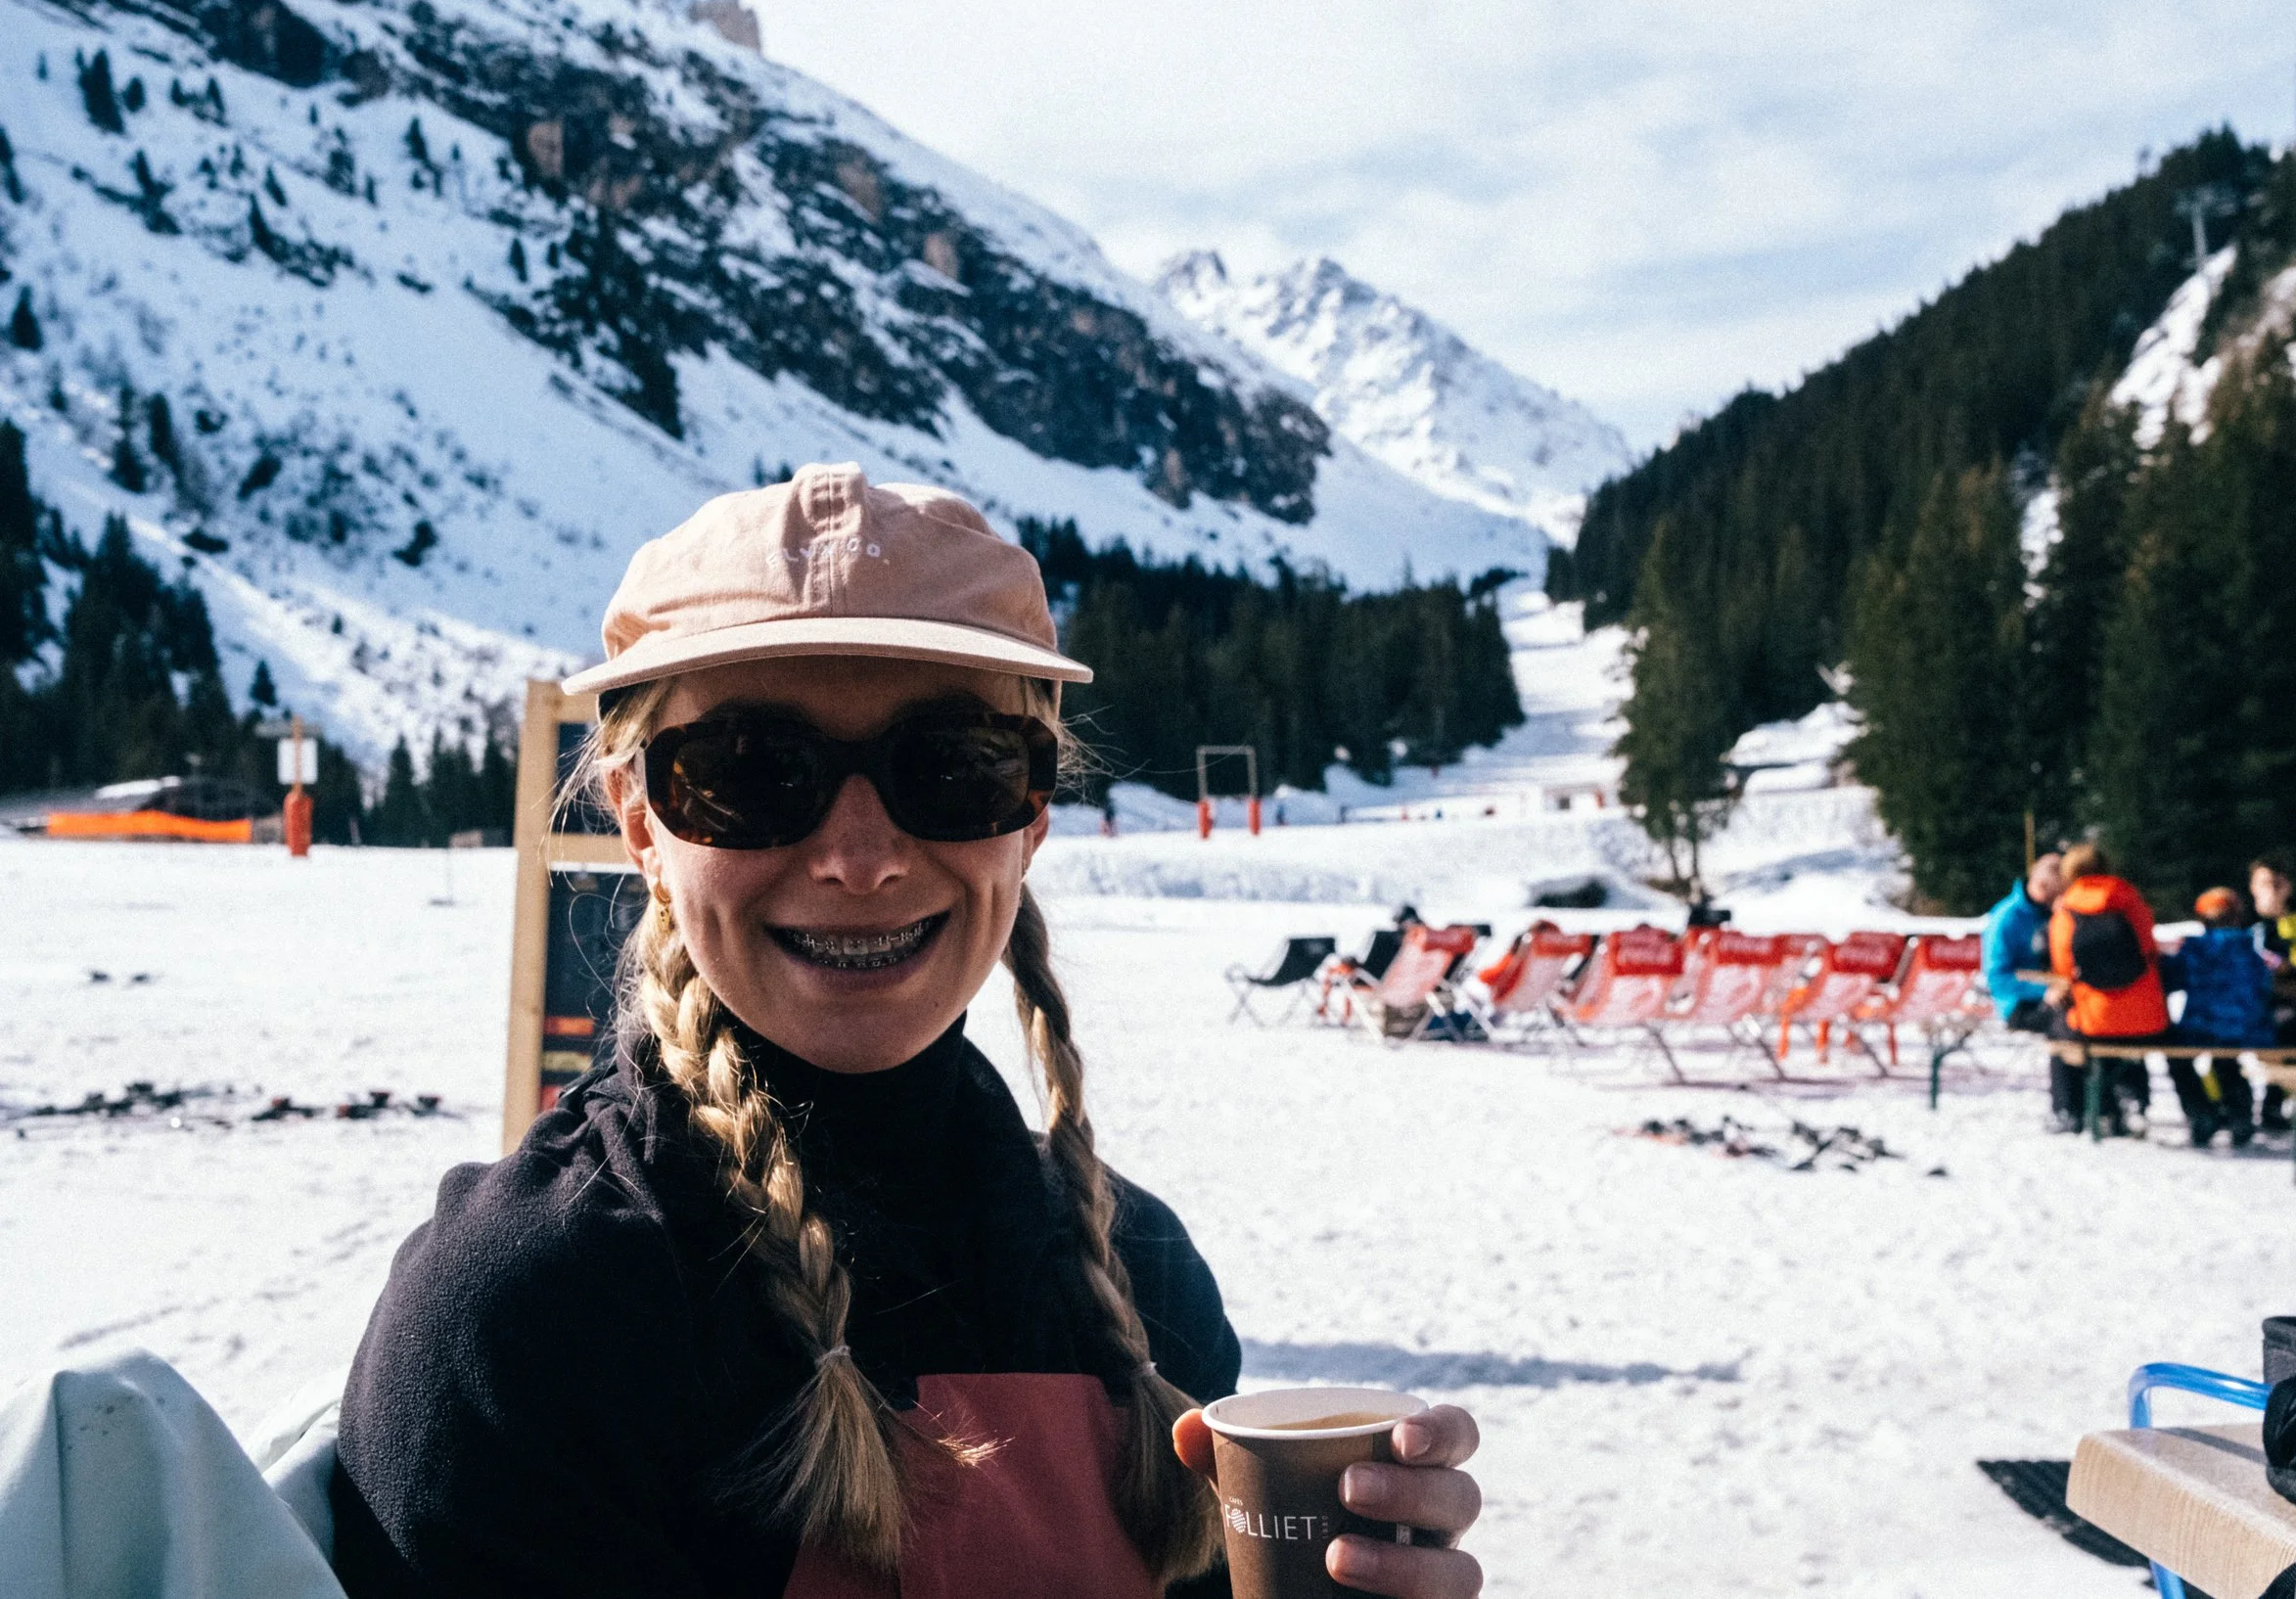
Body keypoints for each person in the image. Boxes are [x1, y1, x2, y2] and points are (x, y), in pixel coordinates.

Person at [330, 467, 1485, 1599]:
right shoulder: (532, 1314)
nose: (861, 856)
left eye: (953, 767)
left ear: (1031, 814)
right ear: (640, 821)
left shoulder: (1142, 1278)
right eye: (750, 773)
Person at [2046, 844, 2168, 1135]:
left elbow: (2064, 970)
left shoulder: (2066, 911)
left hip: (2095, 1021)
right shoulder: (2131, 901)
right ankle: (2134, 1101)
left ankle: (2070, 1110)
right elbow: (2149, 950)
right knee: (2128, 1035)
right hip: (2146, 1019)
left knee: (2059, 1031)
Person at [2156, 888, 2271, 1147]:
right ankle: (2240, 1115)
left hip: (2201, 1026)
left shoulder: (2195, 949)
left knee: (2177, 1057)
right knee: (2228, 1060)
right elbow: (2264, 986)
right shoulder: (2250, 949)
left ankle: (2200, 1111)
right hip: (2246, 1029)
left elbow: (2171, 978)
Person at [2249, 855, 2296, 1132]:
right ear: (2252, 886)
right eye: (2265, 883)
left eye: (2278, 884)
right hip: (2253, 1008)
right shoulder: (2241, 920)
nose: (2271, 890)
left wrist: (2284, 915)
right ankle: (2268, 1106)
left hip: (2295, 1004)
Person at [1983, 852, 2065, 1034]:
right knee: (2069, 1024)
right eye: (2056, 894)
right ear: (2042, 886)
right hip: (2019, 1003)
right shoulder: (2006, 918)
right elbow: (1997, 979)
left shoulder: (2049, 914)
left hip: (2053, 990)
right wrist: (2044, 991)